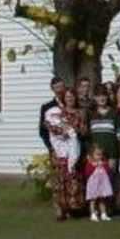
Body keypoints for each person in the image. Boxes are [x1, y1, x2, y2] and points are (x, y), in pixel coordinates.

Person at [45, 89, 85, 221]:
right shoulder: (57, 112)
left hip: (74, 150)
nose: (70, 99)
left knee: (72, 180)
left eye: (72, 96)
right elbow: (48, 125)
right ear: (63, 98)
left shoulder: (80, 112)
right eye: (67, 96)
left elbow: (84, 130)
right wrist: (60, 131)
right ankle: (60, 210)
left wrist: (74, 130)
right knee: (59, 182)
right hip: (59, 152)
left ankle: (71, 208)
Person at [87, 85, 120, 168]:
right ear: (94, 98)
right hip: (95, 156)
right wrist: (89, 155)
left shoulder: (115, 113)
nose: (101, 98)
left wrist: (118, 155)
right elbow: (88, 137)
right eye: (98, 96)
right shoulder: (90, 114)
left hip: (111, 155)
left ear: (107, 96)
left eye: (104, 95)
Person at [84, 145, 114, 222]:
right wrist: (93, 166)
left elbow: (108, 171)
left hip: (102, 184)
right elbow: (87, 173)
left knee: (102, 199)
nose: (100, 156)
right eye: (97, 154)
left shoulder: (103, 162)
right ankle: (93, 214)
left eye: (101, 154)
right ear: (92, 155)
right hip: (93, 185)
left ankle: (103, 214)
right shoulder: (90, 164)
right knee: (93, 200)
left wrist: (106, 165)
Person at [39, 77, 66, 152]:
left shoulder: (70, 103)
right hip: (56, 147)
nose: (59, 90)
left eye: (61, 87)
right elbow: (43, 131)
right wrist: (51, 148)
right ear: (52, 89)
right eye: (57, 87)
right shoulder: (46, 107)